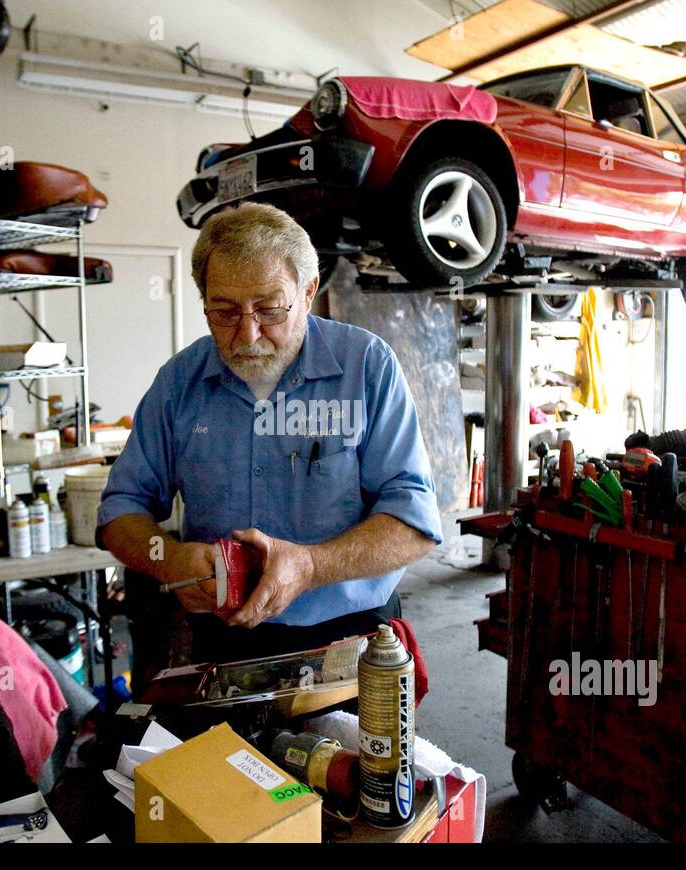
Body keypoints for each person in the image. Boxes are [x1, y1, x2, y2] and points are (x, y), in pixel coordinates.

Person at [96, 202, 441, 671]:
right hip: (223, 642)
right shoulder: (180, 382)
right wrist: (169, 559)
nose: (249, 334)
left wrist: (312, 566)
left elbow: (415, 521)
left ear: (309, 292)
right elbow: (121, 509)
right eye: (224, 312)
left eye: (270, 310)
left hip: (351, 640)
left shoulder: (366, 367)